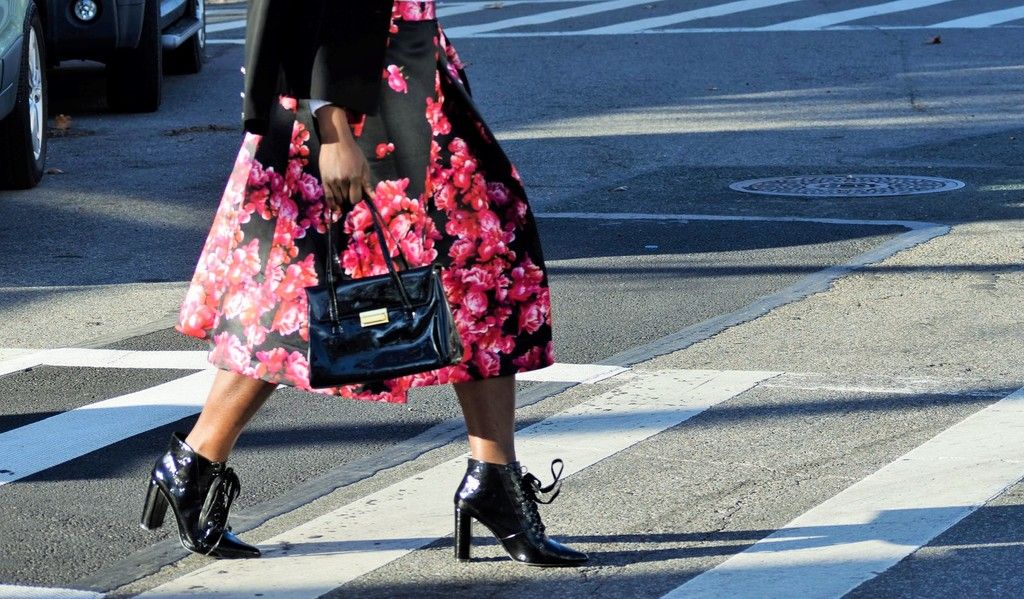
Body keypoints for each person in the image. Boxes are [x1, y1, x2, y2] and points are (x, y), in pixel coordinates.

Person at [138, 0, 587, 567]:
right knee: (297, 297)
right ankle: (195, 462)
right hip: (351, 97)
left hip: (411, 74)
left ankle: (494, 478)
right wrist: (330, 126)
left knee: (484, 266)